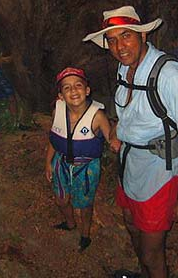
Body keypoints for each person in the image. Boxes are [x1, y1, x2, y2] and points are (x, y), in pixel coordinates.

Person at [83, 6, 178, 278]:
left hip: (158, 173)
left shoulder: (170, 77)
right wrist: (117, 132)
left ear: (142, 36)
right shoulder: (124, 68)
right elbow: (131, 111)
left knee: (152, 252)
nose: (119, 46)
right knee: (131, 226)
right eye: (112, 40)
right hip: (129, 167)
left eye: (126, 36)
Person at [44, 67, 111, 252]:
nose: (73, 91)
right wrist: (47, 162)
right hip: (61, 161)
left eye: (78, 85)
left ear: (87, 90)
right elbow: (54, 138)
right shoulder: (57, 112)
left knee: (84, 204)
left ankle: (85, 234)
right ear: (61, 95)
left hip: (86, 167)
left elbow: (113, 141)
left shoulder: (97, 116)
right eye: (67, 88)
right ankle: (70, 223)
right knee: (61, 200)